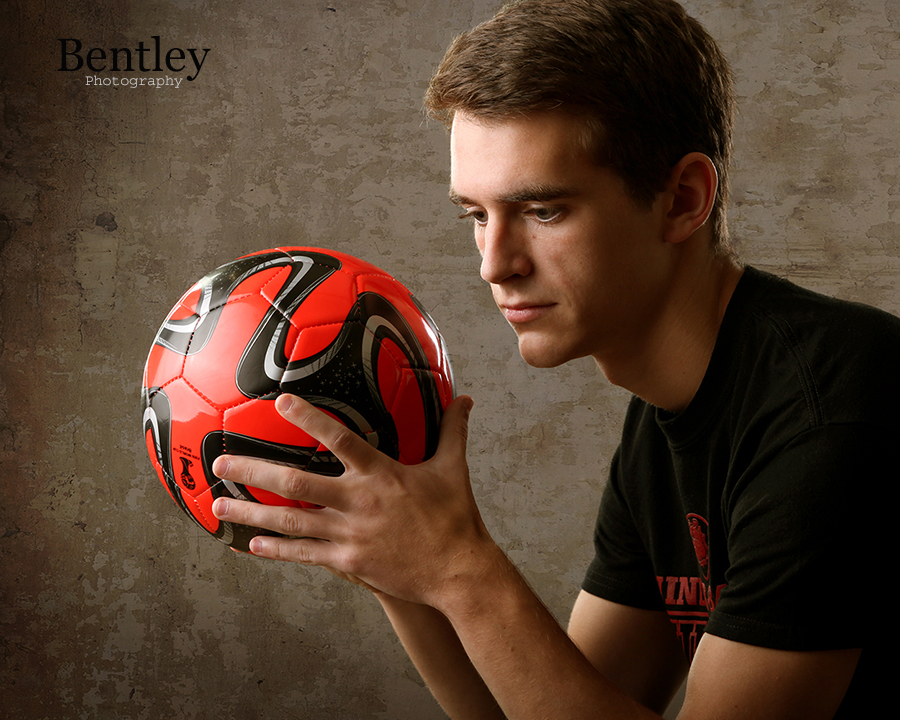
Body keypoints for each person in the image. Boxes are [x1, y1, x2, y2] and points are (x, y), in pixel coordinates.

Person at [210, 0, 895, 717]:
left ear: (682, 200)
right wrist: (396, 559)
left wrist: (457, 566)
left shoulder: (833, 407)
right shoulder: (665, 420)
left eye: (543, 211)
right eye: (477, 216)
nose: (494, 264)